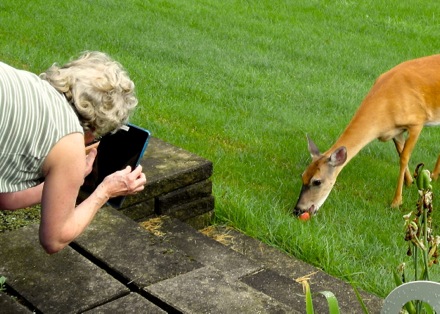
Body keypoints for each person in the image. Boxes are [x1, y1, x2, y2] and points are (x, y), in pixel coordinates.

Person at [0, 51, 147, 254]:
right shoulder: (69, 140)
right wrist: (105, 191)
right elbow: (54, 239)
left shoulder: (30, 85)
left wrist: (63, 181)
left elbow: (5, 197)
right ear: (97, 127)